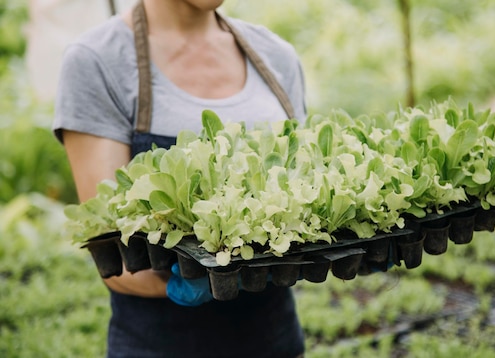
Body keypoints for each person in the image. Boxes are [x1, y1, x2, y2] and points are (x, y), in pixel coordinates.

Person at [53, 1, 307, 357]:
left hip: (275, 341)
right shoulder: (97, 61)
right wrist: (193, 282)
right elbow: (110, 250)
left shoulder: (277, 56)